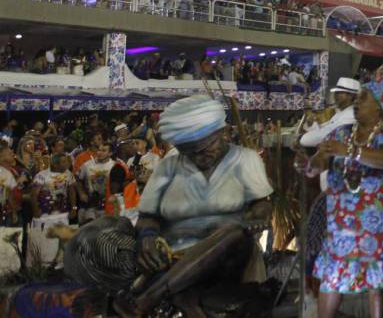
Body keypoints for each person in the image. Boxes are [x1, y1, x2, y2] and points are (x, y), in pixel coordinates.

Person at [69, 95, 274, 317]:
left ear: (222, 133)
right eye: (191, 151)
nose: (199, 156)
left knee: (234, 230)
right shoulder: (169, 166)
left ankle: (151, 296)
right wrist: (147, 236)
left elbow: (262, 204)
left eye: (206, 148)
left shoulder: (245, 160)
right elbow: (149, 215)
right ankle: (177, 293)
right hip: (172, 255)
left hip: (230, 255)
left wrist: (257, 218)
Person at [306, 80, 383, 318]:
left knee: (377, 281)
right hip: (341, 223)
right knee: (332, 277)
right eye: (357, 97)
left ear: (379, 106)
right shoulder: (341, 133)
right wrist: (309, 165)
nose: (356, 102)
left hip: (378, 225)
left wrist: (351, 151)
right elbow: (320, 161)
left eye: (363, 98)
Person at [28, 153, 77, 268]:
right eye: (64, 161)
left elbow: (72, 191)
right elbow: (33, 195)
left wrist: (74, 208)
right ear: (55, 164)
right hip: (45, 214)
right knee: (46, 239)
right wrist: (36, 210)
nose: (67, 164)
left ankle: (60, 265)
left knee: (63, 238)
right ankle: (43, 266)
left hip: (62, 212)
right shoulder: (42, 175)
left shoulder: (68, 174)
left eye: (67, 161)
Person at [76, 142, 115, 222]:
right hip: (90, 205)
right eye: (99, 150)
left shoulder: (114, 166)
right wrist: (81, 193)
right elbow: (78, 180)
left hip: (108, 204)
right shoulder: (87, 165)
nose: (100, 153)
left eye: (104, 150)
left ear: (110, 153)